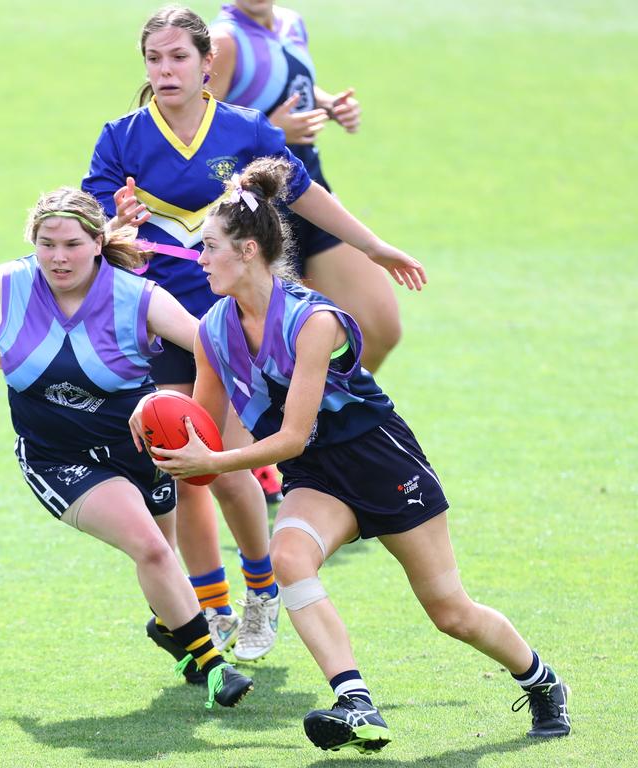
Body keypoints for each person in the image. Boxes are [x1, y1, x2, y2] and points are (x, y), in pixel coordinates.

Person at [130, 158, 571, 753]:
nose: (199, 260)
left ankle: (541, 681)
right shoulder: (211, 331)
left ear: (250, 252)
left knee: (450, 612)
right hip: (317, 477)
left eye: (208, 248)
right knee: (289, 559)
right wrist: (156, 417)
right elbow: (204, 439)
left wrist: (213, 462)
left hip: (380, 462)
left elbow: (290, 437)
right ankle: (355, 702)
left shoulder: (313, 321)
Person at [82, 5, 421, 666]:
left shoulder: (243, 129)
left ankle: (261, 591)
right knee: (182, 463)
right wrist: (115, 221)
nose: (166, 70)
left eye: (179, 57)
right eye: (155, 59)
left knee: (226, 460)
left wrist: (374, 245)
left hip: (228, 324)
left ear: (208, 63)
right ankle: (213, 607)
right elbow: (98, 224)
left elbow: (305, 191)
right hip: (158, 318)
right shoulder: (121, 137)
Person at [0, 186, 253, 710]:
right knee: (154, 550)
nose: (58, 257)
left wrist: (185, 413)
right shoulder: (9, 281)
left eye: (71, 244)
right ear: (33, 242)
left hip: (141, 453)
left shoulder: (140, 298)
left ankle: (171, 629)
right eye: (46, 244)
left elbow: (214, 347)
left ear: (98, 241)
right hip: (57, 457)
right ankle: (213, 666)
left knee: (162, 562)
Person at [208, 1, 401, 374]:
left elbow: (281, 76)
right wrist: (272, 132)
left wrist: (326, 103)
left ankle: (318, 419)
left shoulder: (291, 23)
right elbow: (202, 132)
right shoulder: (224, 41)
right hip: (259, 214)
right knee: (273, 355)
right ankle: (291, 424)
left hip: (310, 189)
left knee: (378, 328)